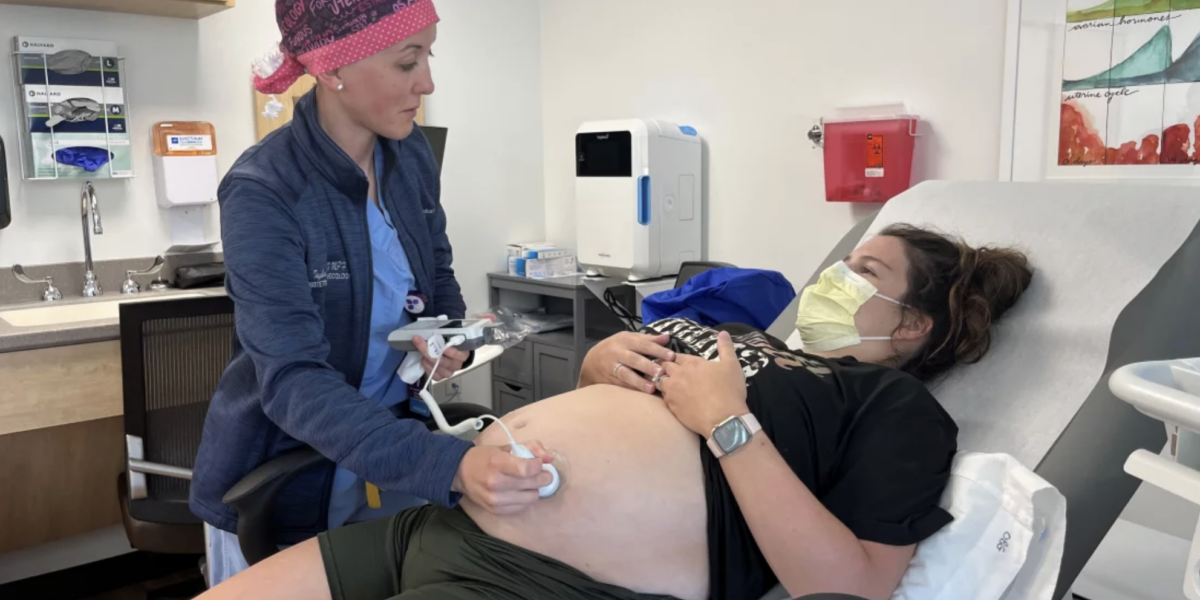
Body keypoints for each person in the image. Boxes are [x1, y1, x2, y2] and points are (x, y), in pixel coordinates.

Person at [195, 224, 1034, 600]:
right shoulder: (741, 331)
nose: (831, 279)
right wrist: (600, 365)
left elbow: (844, 587)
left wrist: (727, 425)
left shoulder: (890, 406)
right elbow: (620, 401)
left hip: (549, 582)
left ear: (914, 325)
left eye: (863, 271)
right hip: (453, 518)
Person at [190, 0, 553, 587]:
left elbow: (435, 269)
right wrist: (452, 463)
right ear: (334, 70)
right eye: (408, 62)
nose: (428, 82)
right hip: (285, 480)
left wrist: (445, 333)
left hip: (387, 461)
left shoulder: (409, 156)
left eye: (428, 56)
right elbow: (292, 381)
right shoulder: (264, 189)